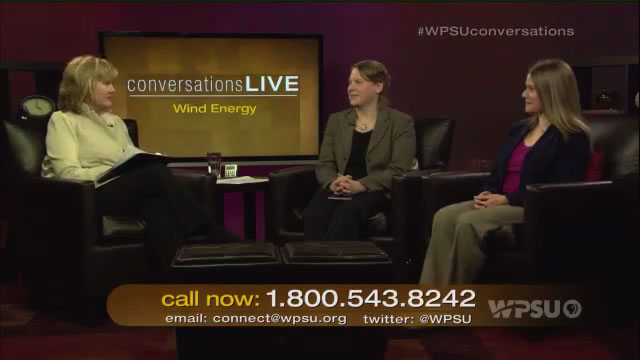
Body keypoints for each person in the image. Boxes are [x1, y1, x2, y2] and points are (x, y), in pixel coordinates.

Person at [41, 55, 240, 278]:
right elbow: (67, 174)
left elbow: (130, 158)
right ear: (85, 84)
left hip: (121, 193)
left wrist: (143, 160)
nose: (113, 89)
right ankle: (208, 229)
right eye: (106, 83)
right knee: (154, 175)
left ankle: (176, 281)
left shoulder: (115, 123)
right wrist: (114, 171)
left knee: (156, 206)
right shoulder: (63, 120)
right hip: (85, 197)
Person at [420, 58, 592, 285]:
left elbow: (560, 188)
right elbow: (498, 172)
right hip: (501, 202)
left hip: (532, 208)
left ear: (551, 92)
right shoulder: (519, 129)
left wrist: (507, 199)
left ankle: (453, 305)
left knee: (469, 222)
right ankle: (429, 300)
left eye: (531, 89)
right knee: (444, 217)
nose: (524, 94)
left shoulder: (572, 136)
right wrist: (488, 192)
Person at [304, 60, 416, 242]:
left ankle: (337, 269)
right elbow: (325, 163)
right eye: (349, 82)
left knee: (347, 214)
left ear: (378, 86)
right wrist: (333, 182)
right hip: (339, 187)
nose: (350, 88)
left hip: (375, 190)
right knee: (314, 215)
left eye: (358, 82)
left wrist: (361, 185)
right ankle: (312, 268)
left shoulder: (401, 123)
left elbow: (400, 169)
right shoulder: (337, 120)